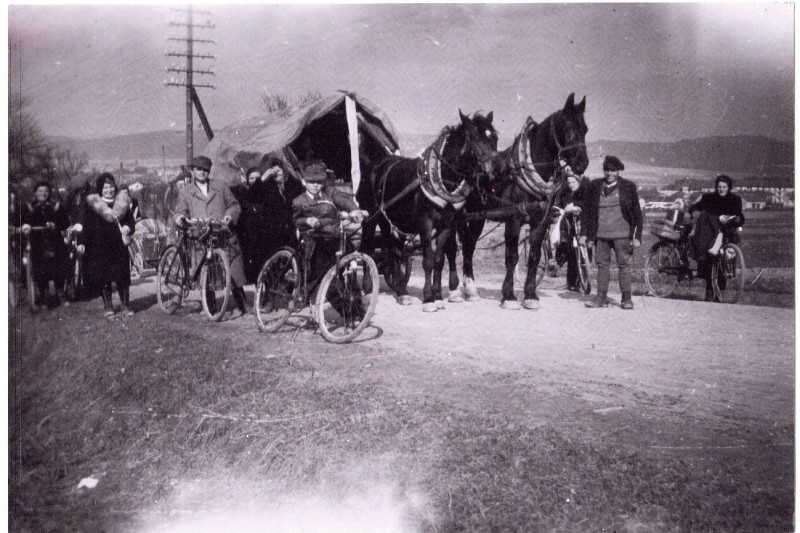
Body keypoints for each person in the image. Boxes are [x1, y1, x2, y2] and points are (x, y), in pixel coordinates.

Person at [173, 155, 249, 316]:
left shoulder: (220, 186)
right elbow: (179, 211)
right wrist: (181, 219)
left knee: (233, 267)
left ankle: (242, 302)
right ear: (193, 171)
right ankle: (211, 305)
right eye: (199, 169)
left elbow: (234, 205)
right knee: (207, 270)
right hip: (201, 236)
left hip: (223, 233)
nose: (202, 173)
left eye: (205, 170)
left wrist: (229, 216)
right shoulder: (186, 192)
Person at [580, 155, 643, 309]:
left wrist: (637, 237)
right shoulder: (594, 186)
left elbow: (637, 214)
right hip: (601, 235)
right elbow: (587, 212)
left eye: (613, 171)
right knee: (602, 265)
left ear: (618, 171)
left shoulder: (628, 187)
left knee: (624, 265)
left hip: (622, 234)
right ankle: (601, 298)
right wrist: (584, 234)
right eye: (606, 170)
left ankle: (626, 299)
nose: (609, 173)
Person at [292, 159, 364, 292]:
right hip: (315, 243)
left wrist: (354, 210)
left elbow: (343, 200)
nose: (315, 185)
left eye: (319, 182)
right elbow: (296, 220)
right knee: (327, 281)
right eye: (311, 182)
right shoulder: (298, 202)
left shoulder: (329, 192)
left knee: (349, 266)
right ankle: (347, 309)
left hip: (335, 238)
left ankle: (355, 304)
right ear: (303, 182)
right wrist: (307, 220)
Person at [82, 173, 136, 318]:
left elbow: (131, 221)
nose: (109, 190)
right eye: (106, 187)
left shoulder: (122, 203)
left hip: (119, 246)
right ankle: (108, 307)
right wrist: (82, 242)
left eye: (111, 187)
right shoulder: (94, 205)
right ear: (100, 188)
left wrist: (127, 228)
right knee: (104, 277)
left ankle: (125, 305)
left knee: (123, 276)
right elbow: (86, 226)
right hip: (100, 246)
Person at [688, 174, 745, 302]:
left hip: (727, 234)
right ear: (716, 187)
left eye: (724, 187)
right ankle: (709, 294)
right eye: (719, 187)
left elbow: (739, 216)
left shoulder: (735, 199)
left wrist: (737, 220)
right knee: (709, 261)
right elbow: (694, 208)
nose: (721, 189)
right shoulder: (709, 198)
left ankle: (720, 295)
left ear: (729, 187)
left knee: (726, 263)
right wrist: (694, 213)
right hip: (711, 234)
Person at [20, 180, 71, 308]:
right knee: (40, 271)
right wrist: (26, 226)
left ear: (49, 193)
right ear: (35, 193)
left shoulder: (56, 206)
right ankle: (43, 297)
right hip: (37, 242)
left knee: (58, 269)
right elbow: (22, 222)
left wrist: (55, 225)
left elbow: (65, 222)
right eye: (40, 191)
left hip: (55, 241)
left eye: (46, 191)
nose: (43, 194)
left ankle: (61, 295)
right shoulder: (29, 207)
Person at [554, 173, 589, 292]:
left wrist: (576, 206)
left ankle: (583, 280)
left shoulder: (584, 192)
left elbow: (589, 205)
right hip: (569, 227)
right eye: (569, 183)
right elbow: (559, 207)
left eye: (573, 182)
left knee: (583, 254)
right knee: (571, 253)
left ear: (579, 182)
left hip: (583, 226)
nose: (571, 185)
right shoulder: (566, 194)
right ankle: (571, 282)